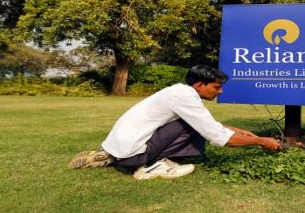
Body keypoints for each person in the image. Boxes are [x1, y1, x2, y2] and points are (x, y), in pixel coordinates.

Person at [69, 65, 281, 180]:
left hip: (122, 146)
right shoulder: (185, 98)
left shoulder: (179, 92)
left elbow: (209, 123)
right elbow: (216, 136)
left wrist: (240, 130)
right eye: (216, 87)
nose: (220, 91)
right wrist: (262, 142)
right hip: (135, 155)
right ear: (200, 85)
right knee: (192, 126)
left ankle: (112, 156)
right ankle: (153, 167)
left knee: (193, 123)